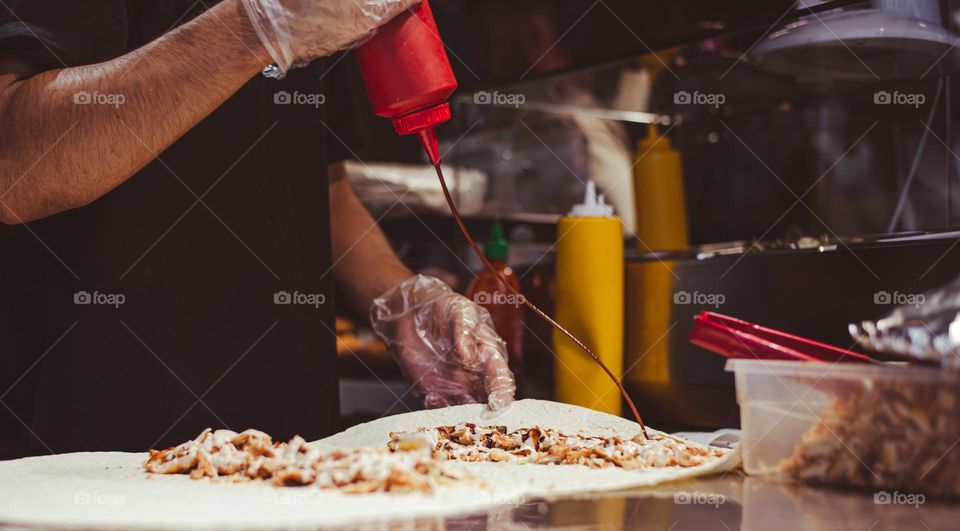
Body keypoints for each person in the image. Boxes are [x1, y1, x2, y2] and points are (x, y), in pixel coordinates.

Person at [0, 0, 514, 459]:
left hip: (287, 452)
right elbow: (13, 166)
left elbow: (319, 184)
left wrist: (398, 296)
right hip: (92, 450)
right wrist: (252, 27)